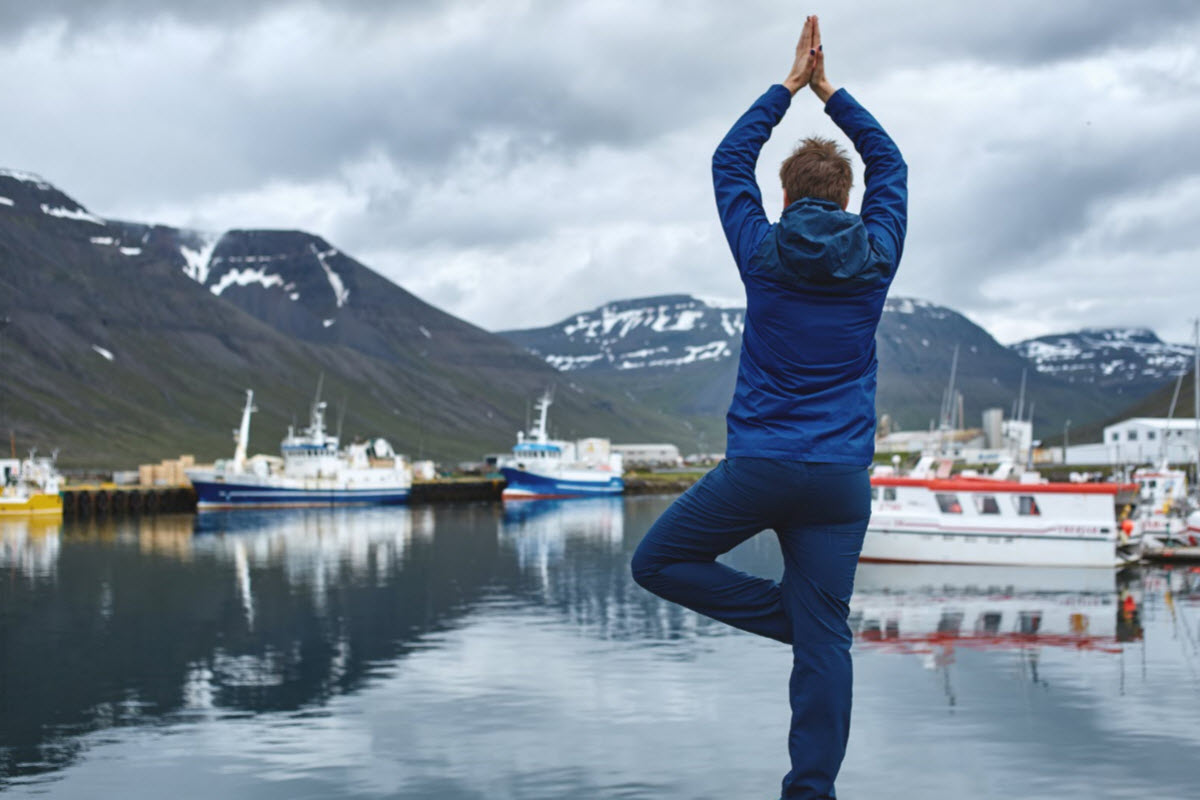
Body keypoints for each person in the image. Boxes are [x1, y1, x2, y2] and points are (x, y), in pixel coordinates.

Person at [630, 15, 907, 800]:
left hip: (761, 466)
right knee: (825, 639)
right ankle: (810, 789)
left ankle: (799, 619)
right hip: (840, 479)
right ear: (850, 197)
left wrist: (787, 89)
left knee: (658, 563)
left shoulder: (762, 250)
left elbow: (727, 161)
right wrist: (834, 94)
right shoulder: (878, 253)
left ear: (784, 196)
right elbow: (893, 163)